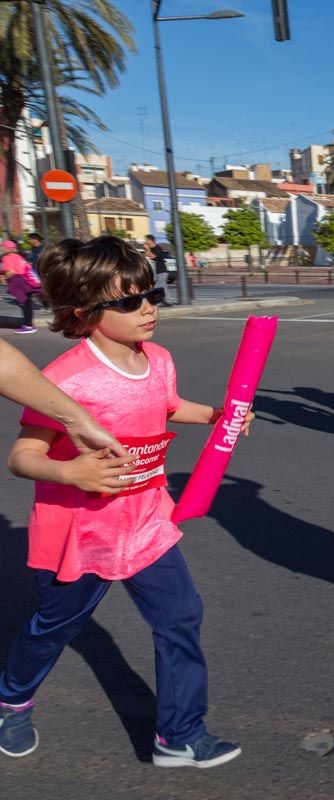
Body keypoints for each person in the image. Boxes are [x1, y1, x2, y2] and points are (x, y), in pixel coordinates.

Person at [0, 235, 247, 766]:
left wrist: (216, 415)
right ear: (84, 311)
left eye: (152, 294)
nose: (149, 308)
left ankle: (178, 735)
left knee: (181, 616)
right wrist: (71, 469)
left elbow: (167, 404)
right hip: (81, 532)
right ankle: (12, 699)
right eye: (130, 301)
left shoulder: (157, 358)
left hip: (146, 519)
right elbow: (22, 456)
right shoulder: (65, 379)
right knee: (55, 627)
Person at [1, 240, 40, 334]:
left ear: (7, 248)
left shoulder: (7, 258)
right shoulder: (19, 256)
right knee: (27, 304)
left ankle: (28, 326)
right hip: (27, 282)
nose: (1, 248)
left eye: (2, 247)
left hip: (19, 283)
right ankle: (29, 324)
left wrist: (4, 278)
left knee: (24, 304)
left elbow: (10, 272)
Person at [142, 235, 172, 306]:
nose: (145, 242)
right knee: (158, 286)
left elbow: (152, 256)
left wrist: (147, 249)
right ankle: (163, 301)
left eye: (146, 240)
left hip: (161, 270)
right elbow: (145, 255)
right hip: (155, 271)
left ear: (150, 240)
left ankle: (167, 301)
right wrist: (147, 249)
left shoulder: (157, 248)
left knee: (161, 285)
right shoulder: (150, 249)